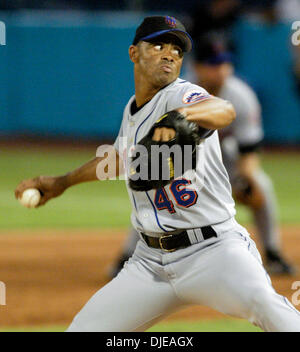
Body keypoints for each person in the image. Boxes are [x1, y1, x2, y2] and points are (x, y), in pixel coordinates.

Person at [15, 16, 300, 332]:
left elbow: (224, 110)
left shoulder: (181, 95)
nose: (170, 54)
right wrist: (61, 182)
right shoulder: (132, 109)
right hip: (149, 263)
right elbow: (119, 159)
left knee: (266, 306)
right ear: (134, 53)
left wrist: (182, 117)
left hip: (215, 252)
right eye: (159, 45)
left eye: (177, 50)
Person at [110, 35, 296, 278]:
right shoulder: (170, 90)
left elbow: (248, 152)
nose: (221, 70)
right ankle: (128, 256)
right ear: (196, 66)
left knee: (262, 184)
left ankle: (272, 253)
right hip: (178, 159)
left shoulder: (241, 96)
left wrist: (247, 182)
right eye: (213, 63)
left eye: (225, 63)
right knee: (156, 194)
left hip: (224, 162)